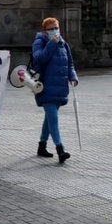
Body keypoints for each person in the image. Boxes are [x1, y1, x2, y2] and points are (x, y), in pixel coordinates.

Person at [30, 18, 77, 163]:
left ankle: (42, 145)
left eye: (56, 28)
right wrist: (51, 44)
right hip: (45, 87)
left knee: (49, 118)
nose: (54, 31)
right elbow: (39, 58)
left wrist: (73, 77)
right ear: (45, 31)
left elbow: (69, 64)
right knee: (53, 118)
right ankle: (60, 149)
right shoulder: (40, 42)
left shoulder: (64, 44)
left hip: (60, 87)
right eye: (51, 29)